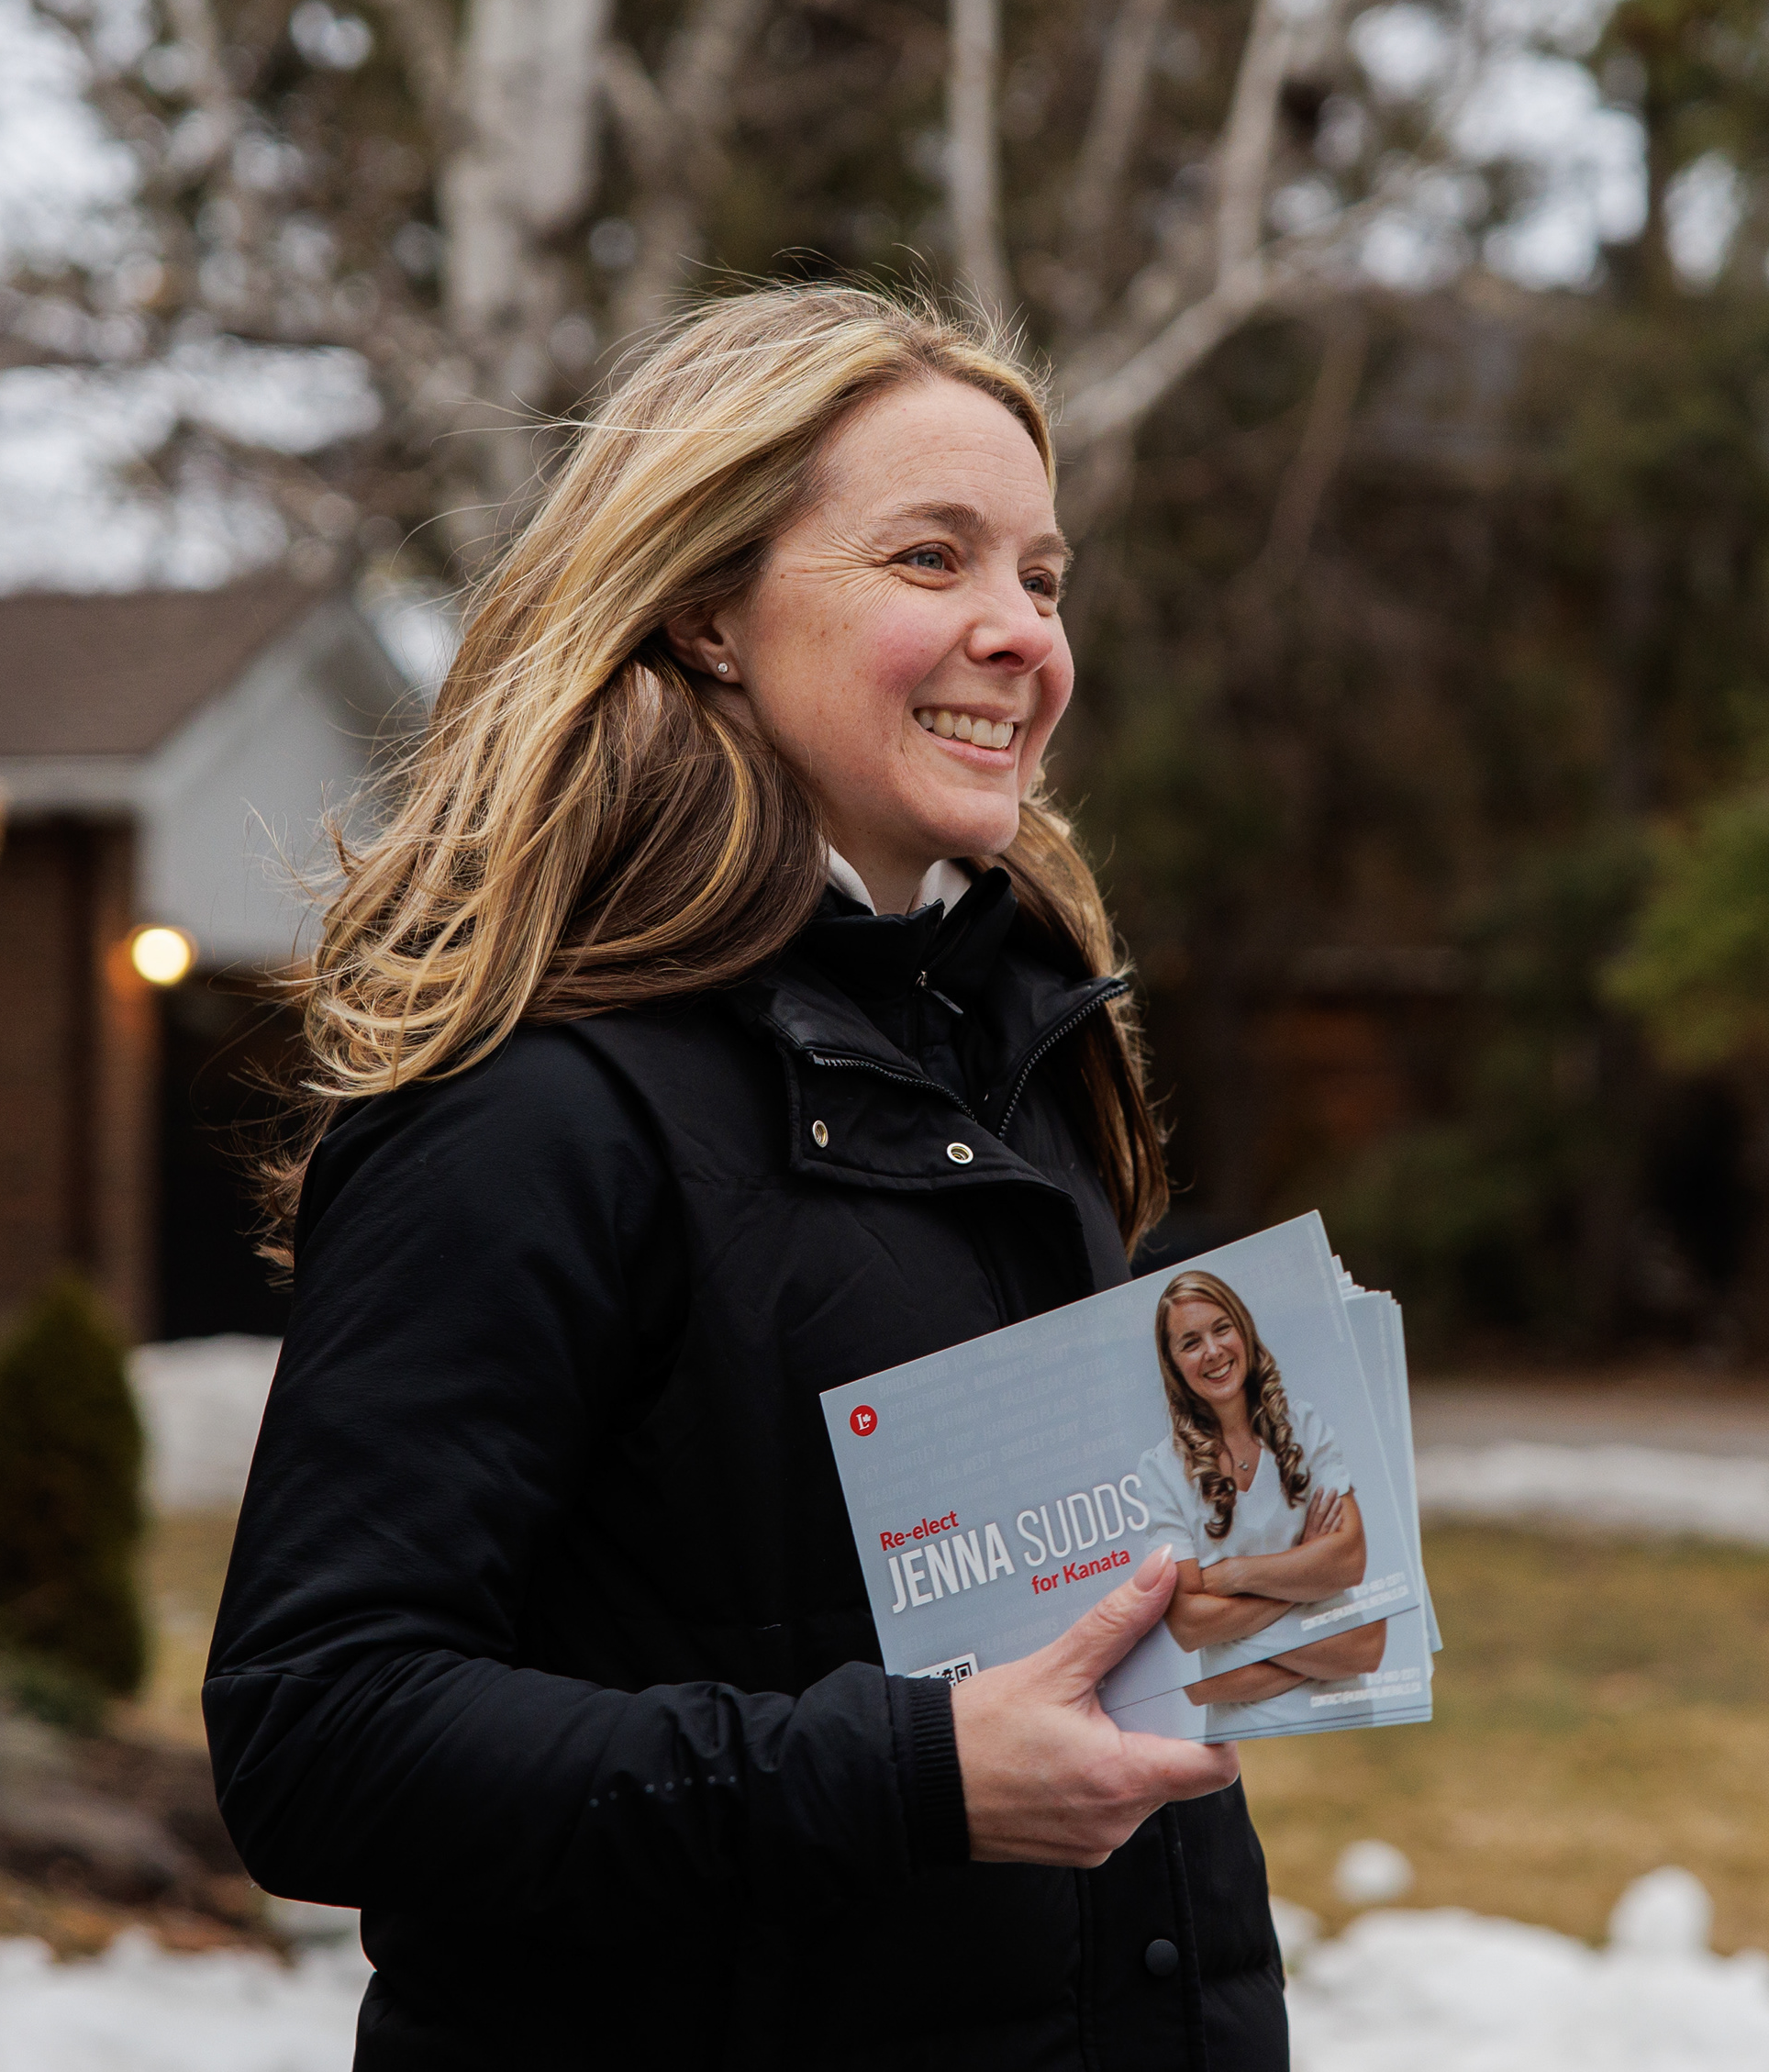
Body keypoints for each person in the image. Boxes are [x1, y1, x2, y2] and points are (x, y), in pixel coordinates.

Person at [203, 285, 1285, 2069]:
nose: (1020, 633)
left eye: (1042, 577)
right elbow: (321, 1736)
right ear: (707, 610)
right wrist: (912, 1772)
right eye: (932, 556)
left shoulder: (1020, 1051)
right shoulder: (535, 1106)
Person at [1136, 1272, 1388, 1710]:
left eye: (1222, 1328)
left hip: (1343, 1714)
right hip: (1248, 1733)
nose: (1212, 1351)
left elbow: (1351, 1568)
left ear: (1245, 1331)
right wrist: (1306, 1568)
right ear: (1173, 1365)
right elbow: (1191, 1629)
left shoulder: (1304, 1426)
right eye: (1191, 1343)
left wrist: (1234, 1576)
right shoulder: (1162, 1470)